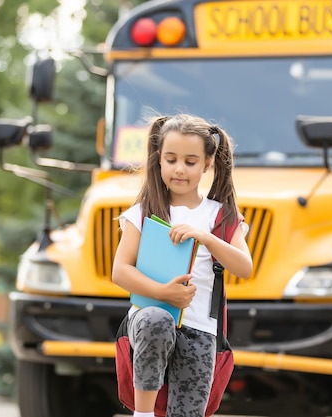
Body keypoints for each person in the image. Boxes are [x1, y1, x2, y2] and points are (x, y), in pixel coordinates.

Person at [112, 113, 253, 417]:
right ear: (158, 160)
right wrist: (164, 294)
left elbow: (244, 267)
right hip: (147, 320)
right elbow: (120, 271)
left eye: (190, 162)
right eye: (171, 159)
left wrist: (207, 238)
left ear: (207, 163)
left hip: (201, 329)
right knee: (157, 320)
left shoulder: (221, 216)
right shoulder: (144, 212)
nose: (179, 169)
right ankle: (143, 414)